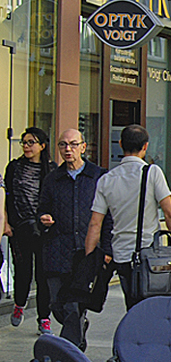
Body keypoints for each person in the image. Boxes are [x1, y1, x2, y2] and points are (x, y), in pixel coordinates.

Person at [84, 124, 171, 311]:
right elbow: (170, 214)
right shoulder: (152, 173)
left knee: (131, 304)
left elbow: (95, 224)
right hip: (149, 254)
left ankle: (134, 334)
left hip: (121, 254)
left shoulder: (107, 179)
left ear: (120, 144)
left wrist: (89, 259)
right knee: (152, 306)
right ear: (145, 146)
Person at [38, 129, 112, 350]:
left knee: (73, 305)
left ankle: (71, 353)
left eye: (72, 144)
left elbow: (109, 216)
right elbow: (42, 208)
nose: (67, 149)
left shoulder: (98, 176)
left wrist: (107, 248)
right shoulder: (52, 179)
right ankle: (79, 327)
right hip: (56, 250)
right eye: (62, 145)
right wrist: (43, 218)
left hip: (85, 253)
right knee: (57, 304)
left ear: (83, 146)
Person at [5, 127, 55, 334]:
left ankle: (44, 318)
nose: (26, 146)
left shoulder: (52, 170)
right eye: (24, 142)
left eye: (31, 142)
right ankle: (19, 304)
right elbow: (6, 197)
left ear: (42, 146)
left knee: (44, 275)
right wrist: (6, 223)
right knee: (23, 270)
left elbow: (56, 200)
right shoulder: (14, 167)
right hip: (20, 227)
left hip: (44, 230)